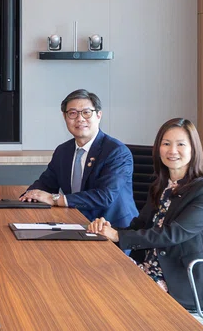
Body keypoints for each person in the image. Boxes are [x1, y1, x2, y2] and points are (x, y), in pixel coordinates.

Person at [88, 118, 203, 310]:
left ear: (194, 149)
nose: (172, 150)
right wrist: (108, 229)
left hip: (178, 280)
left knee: (107, 297)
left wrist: (118, 236)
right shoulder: (160, 186)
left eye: (181, 144)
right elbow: (139, 226)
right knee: (89, 277)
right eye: (166, 144)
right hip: (145, 268)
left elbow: (174, 234)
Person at [20, 89, 138, 228]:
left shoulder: (116, 152)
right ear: (65, 117)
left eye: (86, 112)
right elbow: (46, 183)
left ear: (98, 115)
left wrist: (55, 199)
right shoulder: (63, 151)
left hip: (112, 228)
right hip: (75, 222)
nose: (80, 119)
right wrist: (29, 196)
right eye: (72, 113)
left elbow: (104, 196)